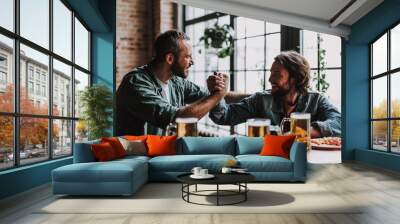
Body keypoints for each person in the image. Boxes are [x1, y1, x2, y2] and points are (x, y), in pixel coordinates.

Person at [116, 30, 228, 135]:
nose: (192, 62)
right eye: (188, 56)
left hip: (161, 153)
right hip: (133, 154)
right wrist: (218, 94)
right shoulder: (135, 83)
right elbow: (177, 119)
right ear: (170, 59)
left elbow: (210, 95)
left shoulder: (176, 81)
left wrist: (241, 95)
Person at [209, 51, 341, 138]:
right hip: (269, 159)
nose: (270, 79)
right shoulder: (260, 100)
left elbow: (340, 123)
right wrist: (218, 93)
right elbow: (223, 117)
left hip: (309, 160)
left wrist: (302, 132)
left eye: (276, 74)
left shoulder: (316, 100)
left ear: (295, 77)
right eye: (271, 73)